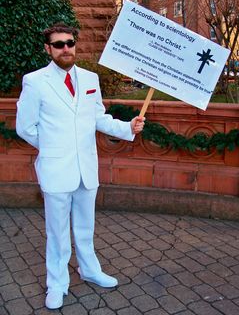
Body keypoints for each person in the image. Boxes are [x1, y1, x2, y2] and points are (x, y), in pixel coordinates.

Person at [16, 22, 145, 309]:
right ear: (48, 48)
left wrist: (128, 127)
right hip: (55, 169)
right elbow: (24, 127)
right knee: (57, 232)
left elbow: (97, 117)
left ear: (76, 45)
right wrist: (52, 147)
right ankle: (57, 283)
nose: (65, 49)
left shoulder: (90, 79)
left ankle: (90, 270)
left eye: (69, 43)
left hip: (87, 168)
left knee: (86, 227)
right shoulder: (35, 81)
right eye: (58, 44)